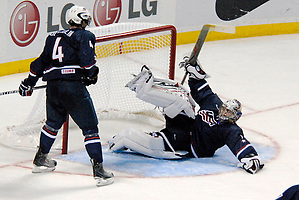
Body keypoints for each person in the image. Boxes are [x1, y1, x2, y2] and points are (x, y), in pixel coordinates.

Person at [108, 58, 264, 174]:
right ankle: (142, 88)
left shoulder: (230, 130)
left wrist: (250, 158)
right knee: (180, 99)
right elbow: (203, 91)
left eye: (229, 112)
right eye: (225, 108)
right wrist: (195, 75)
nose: (224, 112)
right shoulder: (214, 104)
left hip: (188, 144)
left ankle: (121, 140)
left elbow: (239, 143)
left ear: (235, 117)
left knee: (130, 137)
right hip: (187, 126)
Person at [18, 5, 114, 186]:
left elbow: (40, 63)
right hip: (72, 88)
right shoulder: (85, 36)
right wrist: (92, 74)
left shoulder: (53, 36)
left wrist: (28, 82)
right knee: (90, 127)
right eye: (85, 18)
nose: (87, 22)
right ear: (80, 20)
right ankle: (99, 172)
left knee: (53, 123)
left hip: (53, 87)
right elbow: (87, 65)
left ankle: (41, 159)